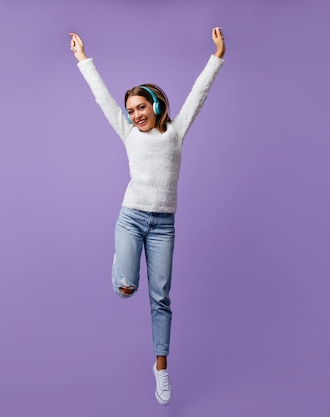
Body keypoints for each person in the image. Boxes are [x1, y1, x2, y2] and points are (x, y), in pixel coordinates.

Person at [69, 27, 225, 406]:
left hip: (163, 226)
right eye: (131, 110)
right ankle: (121, 267)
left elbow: (198, 94)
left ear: (156, 105)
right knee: (126, 289)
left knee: (161, 298)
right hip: (131, 217)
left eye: (141, 107)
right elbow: (102, 99)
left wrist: (217, 56)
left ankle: (160, 368)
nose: (135, 114)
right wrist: (83, 59)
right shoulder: (128, 134)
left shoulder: (176, 132)